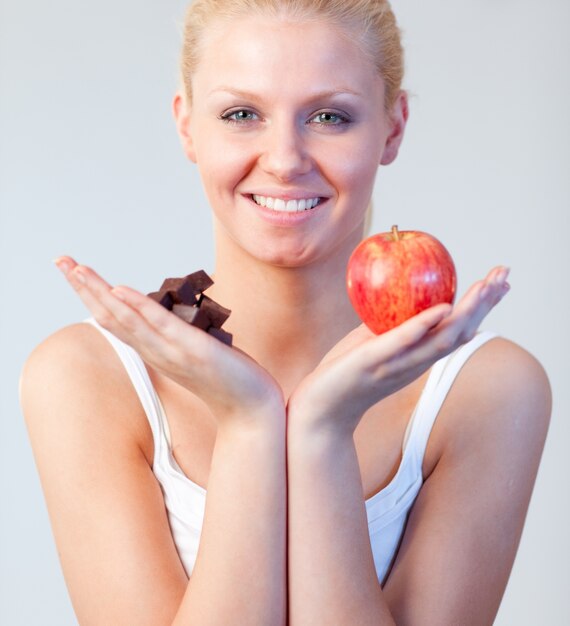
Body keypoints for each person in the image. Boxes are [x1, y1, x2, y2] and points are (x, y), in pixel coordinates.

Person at [20, 0, 551, 624]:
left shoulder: (488, 390)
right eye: (241, 113)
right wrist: (250, 423)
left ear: (393, 127)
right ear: (188, 126)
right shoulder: (86, 376)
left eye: (329, 116)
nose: (284, 158)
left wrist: (322, 431)